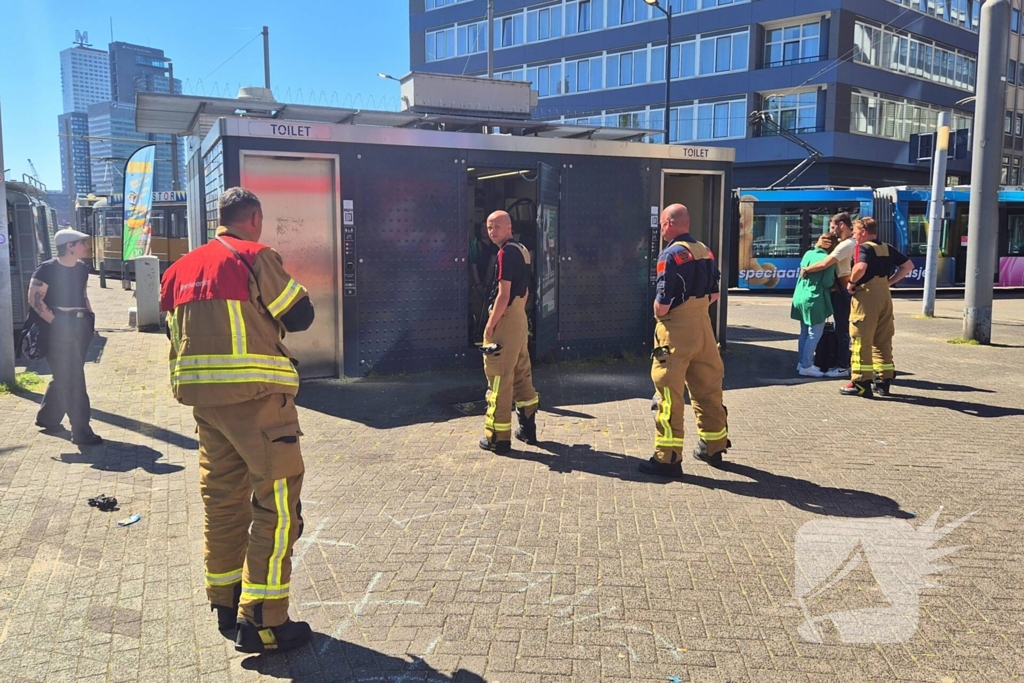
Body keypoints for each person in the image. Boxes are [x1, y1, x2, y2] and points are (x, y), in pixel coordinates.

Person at [160, 187, 316, 654]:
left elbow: (173, 334)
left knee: (223, 503)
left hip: (206, 406)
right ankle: (264, 620)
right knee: (278, 508)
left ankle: (226, 602)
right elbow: (301, 315)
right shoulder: (253, 257)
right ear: (254, 218)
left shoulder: (178, 270)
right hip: (259, 402)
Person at [640, 204, 730, 478]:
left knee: (669, 393)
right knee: (708, 389)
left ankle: (667, 458)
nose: (661, 230)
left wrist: (658, 313)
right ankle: (713, 447)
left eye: (662, 225)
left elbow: (663, 302)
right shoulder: (705, 250)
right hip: (704, 327)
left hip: (676, 330)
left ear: (669, 223)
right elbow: (715, 294)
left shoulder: (670, 255)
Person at [28, 228, 102, 445]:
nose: (87, 247)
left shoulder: (81, 268)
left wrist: (89, 318)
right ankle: (81, 432)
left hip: (81, 324)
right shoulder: (46, 269)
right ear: (69, 246)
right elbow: (34, 300)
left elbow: (83, 294)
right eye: (82, 243)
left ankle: (48, 419)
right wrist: (57, 323)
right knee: (73, 379)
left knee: (67, 373)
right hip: (58, 326)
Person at [479, 210, 539, 454]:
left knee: (499, 376)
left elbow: (503, 294)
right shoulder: (522, 250)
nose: (492, 231)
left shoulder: (505, 253)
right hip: (519, 318)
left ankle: (498, 438)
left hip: (506, 318)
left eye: (496, 227)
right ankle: (528, 429)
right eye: (489, 227)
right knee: (521, 372)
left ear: (509, 227)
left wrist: (491, 324)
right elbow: (526, 290)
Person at [840, 217, 914, 398]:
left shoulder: (863, 248)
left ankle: (861, 383)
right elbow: (908, 266)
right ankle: (883, 381)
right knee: (883, 340)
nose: (854, 236)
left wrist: (851, 283)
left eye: (855, 232)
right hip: (884, 296)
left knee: (861, 339)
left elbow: (860, 267)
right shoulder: (887, 247)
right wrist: (888, 283)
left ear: (863, 231)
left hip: (867, 297)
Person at [801, 213, 857, 378]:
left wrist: (806, 270)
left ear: (842, 225)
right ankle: (839, 362)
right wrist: (818, 244)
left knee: (841, 329)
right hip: (840, 289)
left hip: (841, 291)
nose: (831, 231)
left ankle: (842, 365)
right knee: (840, 327)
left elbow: (826, 263)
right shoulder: (844, 243)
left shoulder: (846, 244)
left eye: (833, 227)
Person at [791, 234, 837, 377]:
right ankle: (806, 365)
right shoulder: (829, 260)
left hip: (800, 296)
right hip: (815, 299)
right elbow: (827, 282)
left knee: (804, 333)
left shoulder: (808, 254)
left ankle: (802, 362)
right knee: (814, 335)